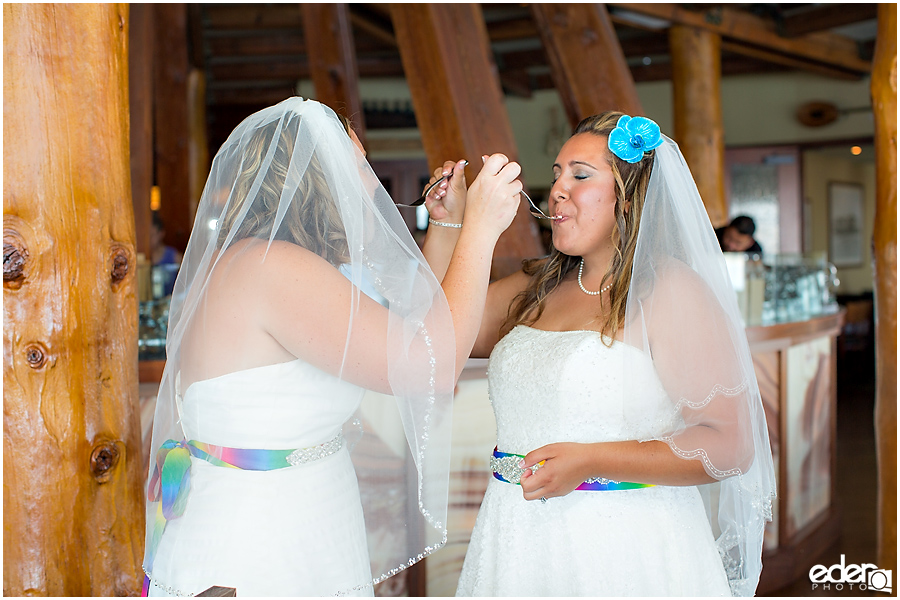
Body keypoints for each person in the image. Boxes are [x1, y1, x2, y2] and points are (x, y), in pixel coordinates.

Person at [140, 97, 524, 596]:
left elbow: (406, 331)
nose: (371, 183)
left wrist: (448, 228)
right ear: (320, 181)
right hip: (257, 549)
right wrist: (483, 230)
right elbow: (427, 366)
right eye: (360, 165)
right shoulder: (273, 268)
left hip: (302, 525)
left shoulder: (276, 264)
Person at [430, 112, 775, 596]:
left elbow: (731, 444)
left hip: (626, 547)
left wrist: (592, 460)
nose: (557, 190)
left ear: (628, 198)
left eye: (580, 175)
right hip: (516, 540)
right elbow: (435, 336)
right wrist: (450, 226)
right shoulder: (535, 287)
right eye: (555, 176)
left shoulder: (671, 290)